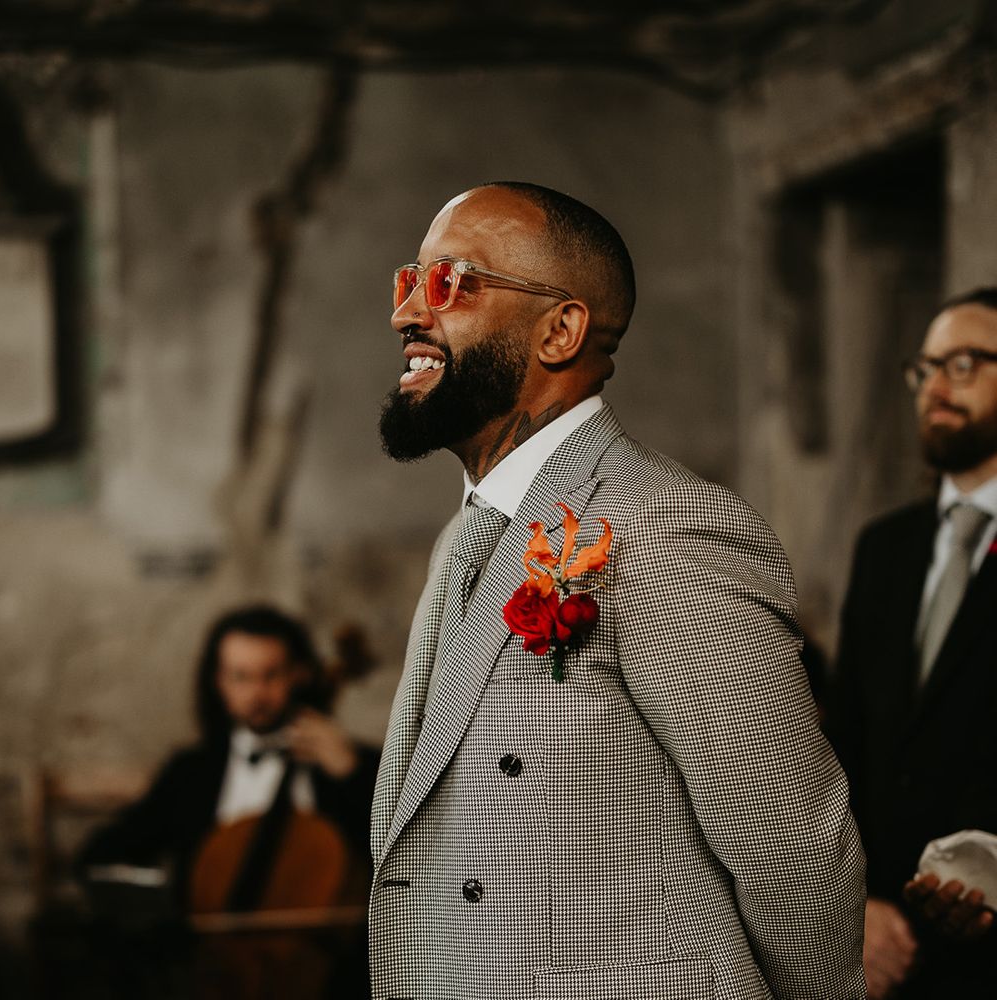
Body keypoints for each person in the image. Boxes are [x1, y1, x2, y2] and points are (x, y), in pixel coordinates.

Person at [370, 182, 866, 1000]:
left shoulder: (666, 527)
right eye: (407, 282)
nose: (409, 315)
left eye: (453, 281)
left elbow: (793, 848)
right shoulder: (463, 537)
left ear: (560, 331)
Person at [830, 288, 997, 999]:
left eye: (963, 363)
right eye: (924, 369)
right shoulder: (885, 547)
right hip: (883, 946)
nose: (935, 386)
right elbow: (845, 745)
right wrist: (855, 907)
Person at [80, 603, 379, 915]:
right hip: (204, 956)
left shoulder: (349, 765)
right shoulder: (189, 773)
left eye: (271, 675)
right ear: (219, 681)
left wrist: (352, 773)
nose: (257, 694)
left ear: (299, 674)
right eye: (241, 677)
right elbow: (107, 853)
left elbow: (405, 860)